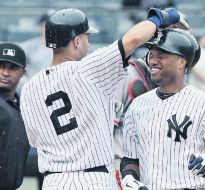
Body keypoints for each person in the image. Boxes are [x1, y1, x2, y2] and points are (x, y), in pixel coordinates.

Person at [19, 7, 189, 189]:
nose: (88, 42)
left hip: (54, 181)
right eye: (87, 37)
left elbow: (35, 140)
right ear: (77, 41)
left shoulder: (29, 87)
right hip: (94, 179)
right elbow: (134, 39)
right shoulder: (88, 69)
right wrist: (161, 17)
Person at [120, 29, 205, 190]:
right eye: (151, 55)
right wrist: (129, 178)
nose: (153, 61)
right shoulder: (137, 106)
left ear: (182, 62)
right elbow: (130, 159)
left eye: (161, 56)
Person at [0, 43, 30, 189]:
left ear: (23, 72)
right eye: (1, 66)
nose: (5, 72)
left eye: (12, 67)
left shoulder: (23, 108)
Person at [17, 12, 53, 95]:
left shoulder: (62, 47)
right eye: (45, 25)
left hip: (54, 88)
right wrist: (25, 80)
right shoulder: (29, 46)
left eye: (51, 25)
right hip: (33, 89)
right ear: (40, 26)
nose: (48, 28)